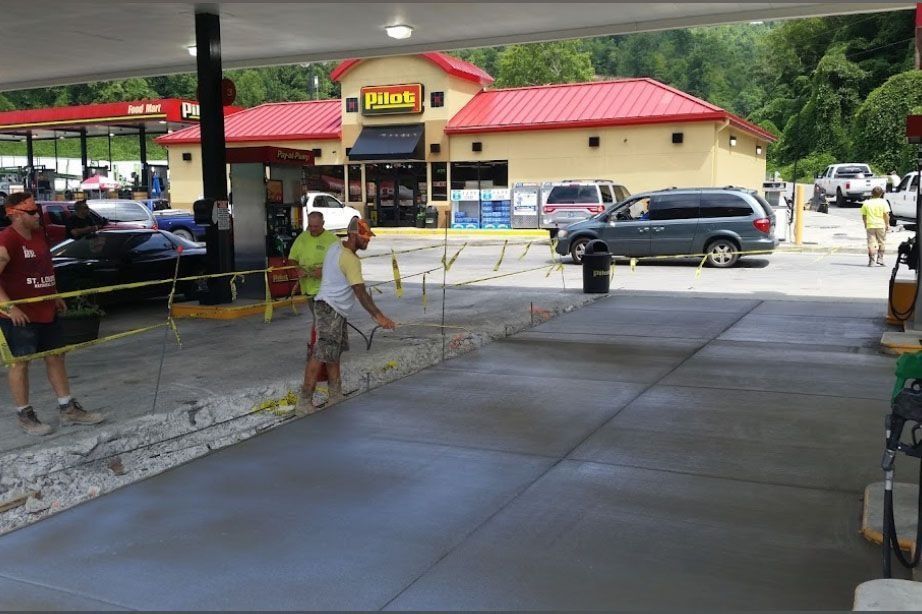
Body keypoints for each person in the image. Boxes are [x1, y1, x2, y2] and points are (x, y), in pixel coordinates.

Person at [0, 192, 104, 435]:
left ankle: (67, 409)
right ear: (15, 214)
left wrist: (54, 293)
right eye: (32, 212)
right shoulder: (7, 240)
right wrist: (9, 307)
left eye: (36, 211)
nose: (38, 215)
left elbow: (43, 268)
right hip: (19, 315)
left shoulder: (38, 235)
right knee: (19, 364)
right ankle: (24, 415)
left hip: (45, 309)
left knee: (56, 356)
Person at [299, 218, 395, 413]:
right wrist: (379, 317)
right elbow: (360, 292)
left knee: (333, 352)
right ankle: (303, 402)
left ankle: (335, 394)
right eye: (365, 236)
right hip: (329, 308)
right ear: (353, 235)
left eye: (369, 236)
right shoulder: (350, 260)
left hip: (333, 309)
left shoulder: (335, 247)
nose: (368, 240)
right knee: (320, 353)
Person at [287, 211, 337, 300]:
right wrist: (298, 269)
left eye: (316, 226)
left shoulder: (333, 240)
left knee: (323, 313)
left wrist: (325, 271)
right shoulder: (302, 237)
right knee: (315, 313)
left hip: (326, 289)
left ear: (323, 223)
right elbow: (292, 258)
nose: (313, 229)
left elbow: (341, 262)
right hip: (307, 289)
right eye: (310, 226)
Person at [860, 186, 890, 267]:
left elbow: (864, 216)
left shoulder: (866, 203)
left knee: (871, 243)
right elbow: (886, 215)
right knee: (882, 242)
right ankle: (880, 259)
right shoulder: (884, 202)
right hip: (881, 225)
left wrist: (865, 224)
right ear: (881, 194)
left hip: (870, 225)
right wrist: (887, 224)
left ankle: (871, 261)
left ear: (872, 193)